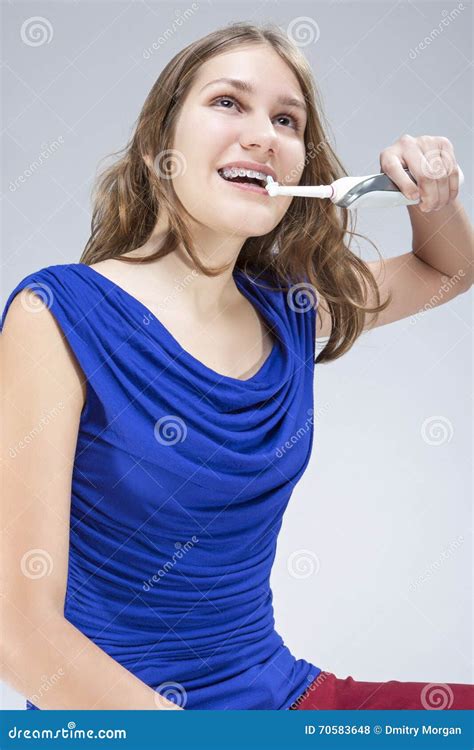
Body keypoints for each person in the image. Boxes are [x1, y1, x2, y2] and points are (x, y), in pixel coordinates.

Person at [1, 22, 473, 712]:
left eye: (287, 120)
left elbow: (449, 268)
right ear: (161, 141)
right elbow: (21, 634)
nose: (263, 134)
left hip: (281, 702)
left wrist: (433, 196)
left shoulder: (293, 312)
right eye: (228, 102)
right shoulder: (55, 314)